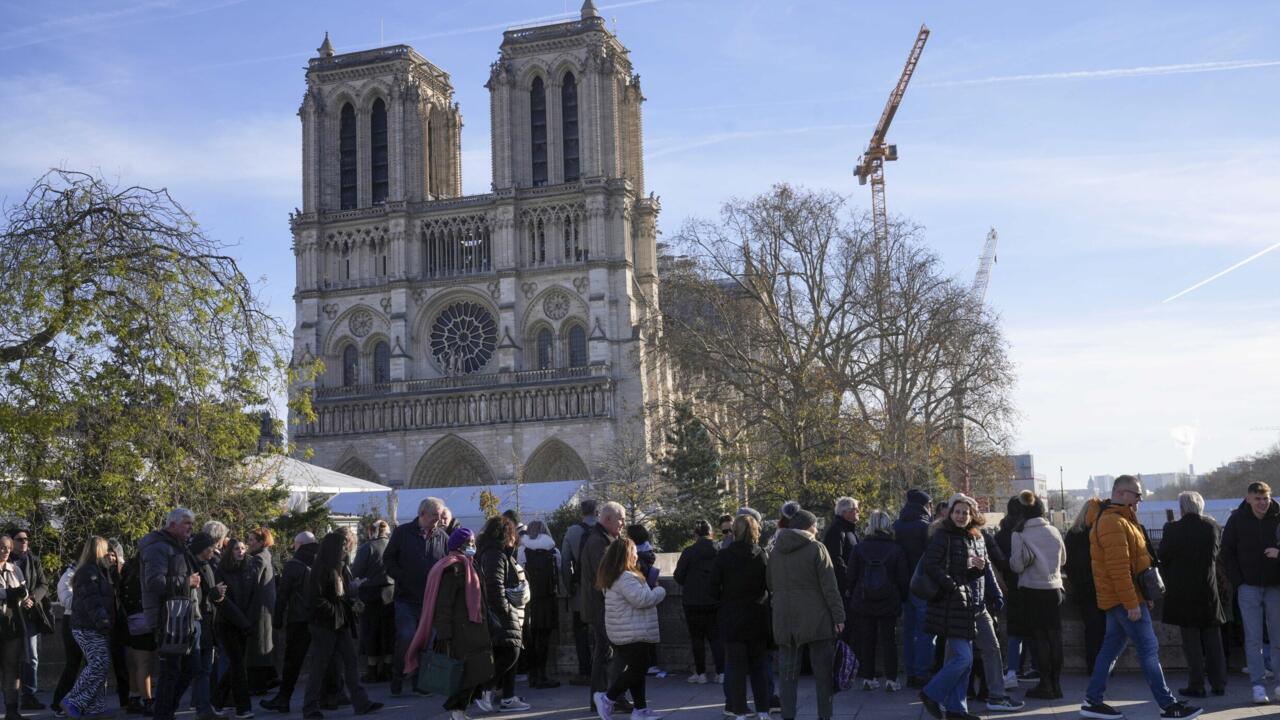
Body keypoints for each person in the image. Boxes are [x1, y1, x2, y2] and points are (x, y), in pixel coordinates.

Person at [1079, 475, 1201, 720]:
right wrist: (1132, 603)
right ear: (1122, 494)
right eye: (1137, 494)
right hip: (1125, 599)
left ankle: (1092, 700)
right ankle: (1167, 705)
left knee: (1111, 648)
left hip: (1123, 598)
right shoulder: (1114, 522)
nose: (1140, 499)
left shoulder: (1116, 519)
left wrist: (1142, 597)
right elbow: (1119, 569)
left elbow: (1130, 565)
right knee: (1148, 649)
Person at [405, 528, 492, 720]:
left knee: (475, 670)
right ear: (458, 545)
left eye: (473, 542)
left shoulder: (470, 564)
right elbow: (443, 604)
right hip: (460, 630)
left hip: (474, 627)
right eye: (468, 543)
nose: (472, 546)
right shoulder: (452, 568)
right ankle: (456, 711)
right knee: (464, 673)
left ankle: (460, 709)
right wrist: (445, 633)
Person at [917, 494, 988, 720]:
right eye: (957, 512)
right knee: (964, 658)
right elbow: (931, 564)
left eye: (965, 513)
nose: (960, 516)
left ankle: (957, 709)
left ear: (971, 516)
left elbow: (963, 575)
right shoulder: (943, 535)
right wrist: (950, 585)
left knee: (965, 662)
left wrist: (979, 568)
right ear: (950, 513)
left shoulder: (968, 537)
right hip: (950, 604)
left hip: (963, 604)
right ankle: (931, 693)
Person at [767, 509, 843, 720]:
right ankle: (824, 716)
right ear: (808, 527)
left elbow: (770, 583)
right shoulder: (816, 548)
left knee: (787, 675)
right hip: (816, 619)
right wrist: (839, 617)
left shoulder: (776, 551)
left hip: (784, 619)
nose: (817, 528)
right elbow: (830, 587)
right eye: (814, 525)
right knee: (823, 675)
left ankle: (788, 715)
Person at [300, 531, 383, 720]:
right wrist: (340, 608)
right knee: (319, 666)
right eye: (343, 546)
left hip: (338, 622)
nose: (346, 549)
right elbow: (316, 600)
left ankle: (361, 702)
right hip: (325, 624)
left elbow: (337, 596)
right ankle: (310, 707)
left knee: (350, 662)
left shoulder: (337, 568)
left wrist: (347, 602)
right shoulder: (322, 570)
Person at [1158, 491, 1228, 699]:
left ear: (1181, 508)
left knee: (1191, 642)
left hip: (1183, 591)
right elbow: (1215, 554)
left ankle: (1196, 684)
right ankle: (1219, 683)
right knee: (1213, 639)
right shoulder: (1213, 527)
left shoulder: (1173, 529)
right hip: (1208, 589)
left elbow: (1163, 556)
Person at [1220, 480, 1280, 705]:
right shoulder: (1236, 519)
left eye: (1265, 498)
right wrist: (1240, 581)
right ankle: (1257, 685)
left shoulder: (1278, 516)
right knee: (1253, 638)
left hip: (1276, 586)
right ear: (1248, 498)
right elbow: (1226, 552)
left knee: (1278, 638)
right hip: (1249, 587)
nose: (1262, 503)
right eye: (1258, 498)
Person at [139, 508, 202, 720]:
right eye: (186, 524)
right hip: (166, 618)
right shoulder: (158, 547)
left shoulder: (179, 547)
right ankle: (163, 713)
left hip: (181, 617)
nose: (189, 528)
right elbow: (154, 582)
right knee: (171, 672)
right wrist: (187, 582)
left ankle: (166, 710)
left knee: (190, 667)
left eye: (191, 524)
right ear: (172, 524)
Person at [593, 537, 666, 720]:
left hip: (626, 630)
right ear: (627, 554)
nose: (636, 556)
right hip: (632, 631)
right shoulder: (625, 577)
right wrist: (659, 590)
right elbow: (642, 599)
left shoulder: (614, 576)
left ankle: (640, 710)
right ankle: (607, 698)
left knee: (637, 669)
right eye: (634, 552)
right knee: (638, 669)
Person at [383, 497, 449, 695]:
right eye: (434, 516)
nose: (438, 520)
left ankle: (419, 682)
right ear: (422, 514)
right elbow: (388, 558)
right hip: (406, 598)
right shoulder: (403, 533)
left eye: (440, 516)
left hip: (431, 600)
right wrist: (401, 576)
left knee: (427, 642)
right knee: (406, 637)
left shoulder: (442, 536)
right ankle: (397, 676)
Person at [711, 514, 770, 720]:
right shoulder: (761, 555)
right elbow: (768, 585)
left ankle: (739, 709)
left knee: (735, 669)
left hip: (732, 616)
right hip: (756, 616)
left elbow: (713, 587)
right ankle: (763, 709)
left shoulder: (724, 556)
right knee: (759, 667)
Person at [1009, 491, 1066, 700]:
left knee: (1039, 638)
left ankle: (1045, 684)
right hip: (1054, 589)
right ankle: (1057, 685)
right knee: (1055, 638)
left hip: (1032, 590)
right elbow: (1064, 560)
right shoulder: (1054, 531)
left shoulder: (1020, 534)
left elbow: (1016, 566)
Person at [847, 510, 908, 693]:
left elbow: (851, 575)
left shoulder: (859, 548)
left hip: (864, 599)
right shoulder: (896, 549)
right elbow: (903, 578)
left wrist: (852, 592)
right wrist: (902, 598)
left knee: (867, 639)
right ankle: (891, 679)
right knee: (888, 639)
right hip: (888, 598)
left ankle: (868, 677)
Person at [474, 516, 530, 714]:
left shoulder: (495, 552)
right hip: (501, 613)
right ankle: (485, 690)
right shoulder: (495, 554)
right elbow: (494, 586)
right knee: (510, 651)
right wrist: (507, 610)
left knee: (509, 651)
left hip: (502, 612)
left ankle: (505, 696)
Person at [581, 502, 631, 713]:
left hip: (600, 607)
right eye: (621, 519)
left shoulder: (602, 539)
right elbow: (606, 576)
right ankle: (613, 696)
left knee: (603, 653)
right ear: (608, 519)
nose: (623, 524)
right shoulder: (598, 542)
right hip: (602, 607)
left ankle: (600, 697)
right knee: (618, 652)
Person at [261, 533, 318, 713]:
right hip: (319, 617)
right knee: (326, 659)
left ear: (299, 544)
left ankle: (284, 697)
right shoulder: (322, 559)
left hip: (298, 618)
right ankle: (333, 695)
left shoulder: (294, 564)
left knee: (292, 661)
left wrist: (277, 619)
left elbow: (283, 594)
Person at [62, 536, 116, 719]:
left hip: (91, 625)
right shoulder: (89, 572)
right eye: (106, 549)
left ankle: (96, 707)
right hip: (88, 626)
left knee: (100, 665)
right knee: (98, 664)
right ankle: (72, 700)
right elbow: (92, 601)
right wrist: (103, 621)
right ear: (98, 551)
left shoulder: (97, 571)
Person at [892, 489, 934, 688]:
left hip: (901, 584)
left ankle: (910, 672)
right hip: (922, 584)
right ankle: (922, 672)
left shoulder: (896, 526)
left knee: (908, 630)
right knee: (925, 630)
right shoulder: (926, 528)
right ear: (925, 505)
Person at [674, 520, 724, 686]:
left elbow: (678, 576)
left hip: (692, 601)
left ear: (695, 534)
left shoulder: (689, 551)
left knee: (697, 638)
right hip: (714, 600)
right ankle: (721, 672)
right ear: (711, 533)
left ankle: (701, 673)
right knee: (716, 637)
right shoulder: (719, 550)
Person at [6, 530, 48, 712]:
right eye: (20, 539)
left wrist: (32, 598)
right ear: (12, 542)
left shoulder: (33, 560)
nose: (24, 542)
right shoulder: (6, 562)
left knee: (32, 656)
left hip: (30, 613)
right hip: (10, 615)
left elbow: (43, 584)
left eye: (26, 539)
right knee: (10, 659)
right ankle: (11, 699)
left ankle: (29, 695)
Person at [517, 521, 560, 689]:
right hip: (548, 598)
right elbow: (560, 570)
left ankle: (532, 675)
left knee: (530, 638)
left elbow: (519, 572)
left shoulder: (522, 550)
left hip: (529, 600)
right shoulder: (553, 550)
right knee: (544, 639)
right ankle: (543, 674)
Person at [1063, 501, 1105, 676]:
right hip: (1100, 587)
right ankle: (1102, 666)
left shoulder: (1073, 535)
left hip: (1083, 588)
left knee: (1091, 629)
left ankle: (1093, 666)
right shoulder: (1100, 532)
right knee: (1104, 629)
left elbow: (1068, 563)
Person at [993, 498, 1032, 689]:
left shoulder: (1001, 534)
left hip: (1010, 585)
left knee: (1014, 631)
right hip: (1030, 584)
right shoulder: (1027, 532)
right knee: (1033, 630)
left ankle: (1013, 669)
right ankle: (1029, 667)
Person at [559, 500, 598, 686]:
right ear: (597, 511)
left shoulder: (572, 531)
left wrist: (568, 587)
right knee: (602, 632)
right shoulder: (603, 529)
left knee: (580, 632)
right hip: (603, 588)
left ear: (581, 512)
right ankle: (603, 670)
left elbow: (565, 563)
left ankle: (585, 671)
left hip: (580, 591)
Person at [216, 540, 254, 719]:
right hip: (228, 623)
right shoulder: (221, 570)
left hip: (245, 623)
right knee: (238, 665)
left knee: (235, 665)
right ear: (230, 551)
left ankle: (216, 699)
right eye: (237, 548)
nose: (241, 551)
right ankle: (243, 707)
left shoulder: (248, 569)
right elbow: (223, 600)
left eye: (243, 548)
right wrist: (241, 620)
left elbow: (253, 595)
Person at [188, 532, 224, 720]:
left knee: (205, 669)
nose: (214, 549)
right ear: (204, 548)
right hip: (197, 621)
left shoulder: (207, 566)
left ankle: (204, 708)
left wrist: (217, 593)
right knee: (195, 669)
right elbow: (200, 596)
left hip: (208, 621)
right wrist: (213, 593)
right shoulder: (193, 565)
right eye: (211, 547)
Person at [353, 521, 394, 684]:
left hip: (371, 594)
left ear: (371, 531)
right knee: (389, 631)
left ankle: (372, 670)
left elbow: (356, 571)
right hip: (391, 592)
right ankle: (388, 668)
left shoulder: (367, 548)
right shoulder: (393, 546)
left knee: (371, 631)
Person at [119, 550, 154, 715]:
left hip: (130, 621)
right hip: (144, 620)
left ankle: (134, 698)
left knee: (135, 665)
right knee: (144, 664)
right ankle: (148, 700)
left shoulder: (128, 569)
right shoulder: (145, 571)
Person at [243, 529, 277, 696]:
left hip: (259, 608)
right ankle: (267, 679)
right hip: (265, 607)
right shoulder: (266, 555)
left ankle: (259, 684)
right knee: (262, 645)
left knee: (258, 647)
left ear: (261, 542)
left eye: (251, 539)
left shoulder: (258, 558)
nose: (249, 542)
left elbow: (251, 581)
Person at [1, 535, 31, 720]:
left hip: (12, 625)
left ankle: (12, 710)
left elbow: (24, 591)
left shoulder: (15, 569)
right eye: (2, 548)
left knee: (12, 669)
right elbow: (12, 592)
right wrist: (11, 593)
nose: (5, 551)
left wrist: (24, 596)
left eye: (7, 548)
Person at [50, 562, 81, 717]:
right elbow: (66, 600)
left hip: (82, 620)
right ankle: (59, 702)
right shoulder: (68, 575)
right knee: (73, 665)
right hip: (72, 620)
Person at [821, 497, 860, 607]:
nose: (858, 512)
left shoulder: (849, 530)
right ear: (845, 512)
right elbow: (836, 559)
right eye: (855, 509)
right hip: (844, 589)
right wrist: (848, 583)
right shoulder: (836, 530)